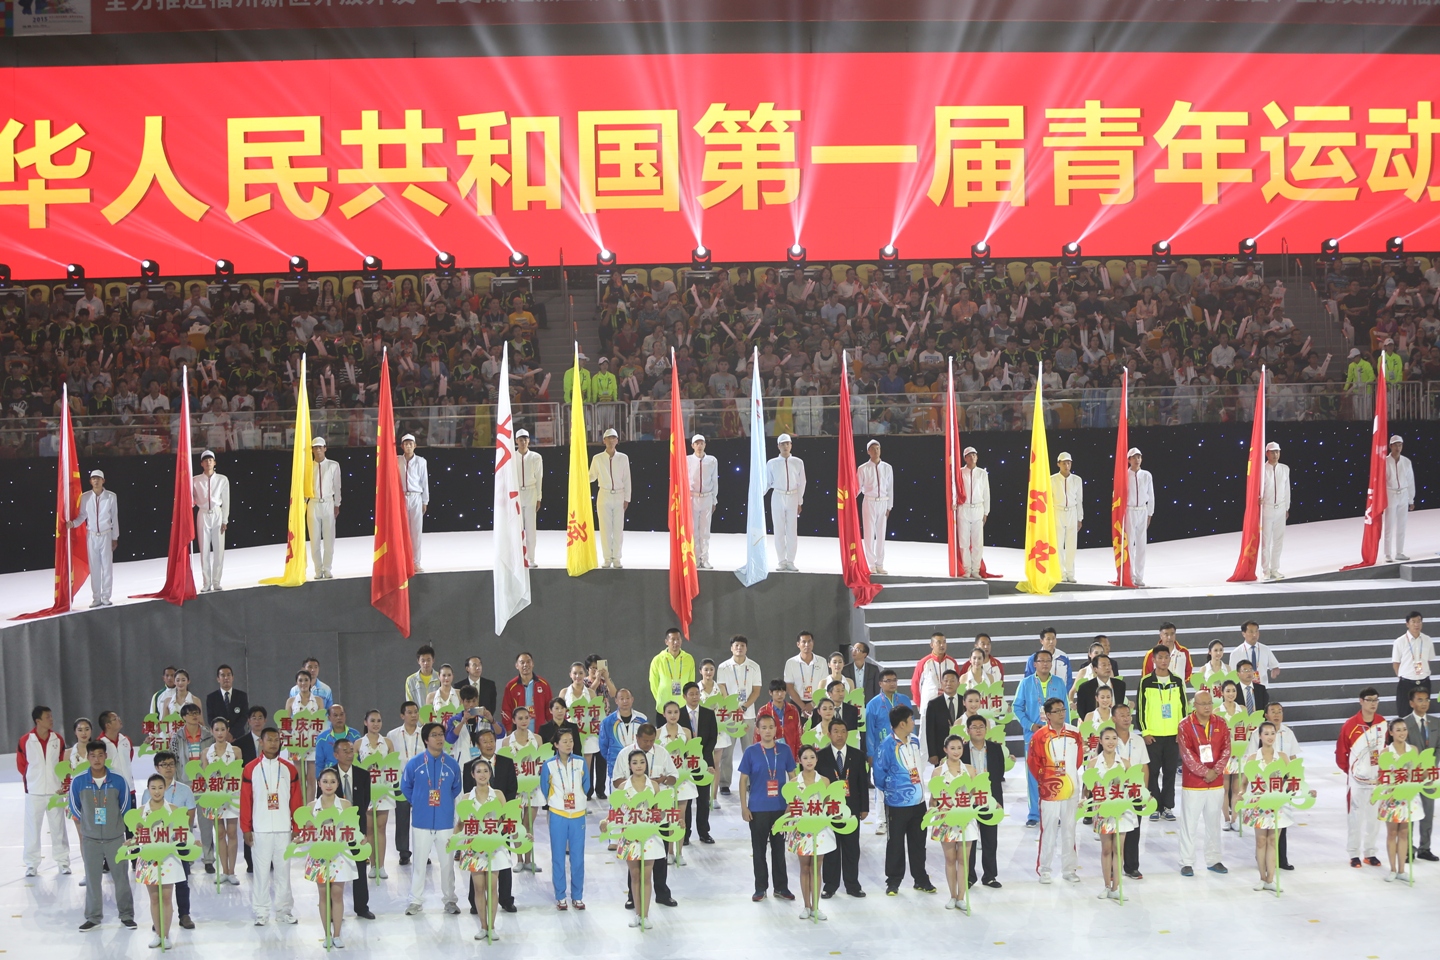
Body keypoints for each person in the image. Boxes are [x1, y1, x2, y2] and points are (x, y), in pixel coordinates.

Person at [611, 724, 679, 908]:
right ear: (637, 738)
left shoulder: (662, 752)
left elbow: (674, 777)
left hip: (657, 814)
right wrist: (637, 783)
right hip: (633, 818)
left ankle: (662, 893)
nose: (649, 744)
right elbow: (616, 781)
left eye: (652, 740)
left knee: (659, 856)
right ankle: (633, 897)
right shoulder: (625, 754)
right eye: (645, 741)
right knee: (634, 859)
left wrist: (661, 780)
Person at [71, 739, 136, 932]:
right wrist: (88, 826)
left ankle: (126, 915)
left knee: (121, 878)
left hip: (115, 838)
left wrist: (118, 828)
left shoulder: (118, 780)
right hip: (90, 839)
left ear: (106, 756)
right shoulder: (79, 781)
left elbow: (126, 807)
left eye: (100, 755)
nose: (97, 759)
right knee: (92, 880)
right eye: (93, 755)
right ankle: (93, 917)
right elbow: (75, 807)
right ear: (88, 757)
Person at [399, 722, 463, 915]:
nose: (439, 738)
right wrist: (418, 802)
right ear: (426, 740)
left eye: (441, 734)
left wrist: (444, 804)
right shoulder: (415, 763)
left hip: (445, 822)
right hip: (421, 822)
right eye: (434, 735)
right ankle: (415, 901)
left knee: (447, 864)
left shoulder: (451, 764)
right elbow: (405, 787)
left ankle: (450, 900)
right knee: (419, 863)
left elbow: (456, 788)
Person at [240, 727, 301, 926]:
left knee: (283, 872)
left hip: (284, 828)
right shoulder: (250, 769)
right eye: (269, 740)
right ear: (261, 742)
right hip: (260, 829)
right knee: (261, 873)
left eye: (276, 740)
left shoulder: (289, 769)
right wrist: (246, 828)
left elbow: (296, 800)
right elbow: (246, 800)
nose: (273, 743)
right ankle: (261, 912)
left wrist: (297, 826)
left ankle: (284, 911)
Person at [873, 704, 935, 895]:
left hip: (918, 802)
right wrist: (894, 791)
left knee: (918, 843)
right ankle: (893, 881)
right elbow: (878, 775)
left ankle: (920, 879)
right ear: (902, 724)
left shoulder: (915, 741)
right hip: (897, 804)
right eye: (910, 720)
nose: (913, 723)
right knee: (896, 844)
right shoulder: (887, 745)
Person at [739, 714, 797, 902]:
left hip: (780, 808)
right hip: (757, 808)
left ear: (776, 729)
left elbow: (793, 777)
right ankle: (760, 888)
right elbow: (743, 780)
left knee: (779, 850)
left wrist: (792, 803)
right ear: (757, 730)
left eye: (771, 727)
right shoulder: (751, 752)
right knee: (759, 850)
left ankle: (781, 887)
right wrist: (744, 806)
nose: (767, 731)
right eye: (763, 727)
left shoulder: (785, 750)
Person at [1028, 697, 1082, 884]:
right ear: (1048, 715)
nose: (1061, 713)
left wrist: (1067, 777)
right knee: (1049, 829)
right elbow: (1033, 763)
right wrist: (1047, 780)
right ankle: (1045, 870)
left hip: (1071, 788)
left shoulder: (1075, 733)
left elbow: (1078, 760)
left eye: (1063, 710)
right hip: (1049, 790)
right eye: (1057, 711)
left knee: (1069, 829)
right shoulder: (1039, 736)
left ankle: (1069, 869)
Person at [1177, 690, 1231, 876]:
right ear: (1195, 705)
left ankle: (1214, 859)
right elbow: (1187, 754)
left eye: (1210, 703)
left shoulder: (1220, 723)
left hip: (1216, 782)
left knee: (1213, 822)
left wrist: (1215, 770)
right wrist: (1204, 772)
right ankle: (1186, 862)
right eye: (1203, 704)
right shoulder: (1185, 725)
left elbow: (1226, 749)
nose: (1207, 707)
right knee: (1189, 823)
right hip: (1193, 783)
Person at [303, 767, 357, 946]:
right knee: (323, 894)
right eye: (325, 781)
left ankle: (337, 935)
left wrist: (361, 838)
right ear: (319, 784)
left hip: (339, 855)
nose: (328, 785)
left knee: (337, 894)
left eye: (332, 782)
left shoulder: (346, 804)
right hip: (319, 854)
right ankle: (326, 934)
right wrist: (299, 838)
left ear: (338, 784)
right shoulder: (311, 807)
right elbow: (308, 831)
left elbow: (352, 828)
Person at [458, 758, 512, 938]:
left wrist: (520, 836)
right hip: (474, 848)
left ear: (490, 774)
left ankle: (492, 927)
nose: (482, 774)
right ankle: (483, 926)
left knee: (492, 887)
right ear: (472, 775)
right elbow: (461, 823)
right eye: (478, 771)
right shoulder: (466, 798)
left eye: (486, 771)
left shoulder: (498, 795)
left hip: (494, 846)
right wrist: (454, 841)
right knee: (479, 888)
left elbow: (507, 819)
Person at [815, 718, 868, 899]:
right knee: (831, 848)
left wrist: (864, 808)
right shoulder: (820, 757)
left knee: (852, 848)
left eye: (843, 731)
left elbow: (862, 783)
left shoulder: (858, 755)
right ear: (829, 734)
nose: (840, 735)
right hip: (829, 810)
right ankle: (830, 885)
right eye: (836, 731)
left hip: (851, 809)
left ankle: (853, 885)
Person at [133, 773, 187, 948]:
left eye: (160, 788)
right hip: (149, 858)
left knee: (167, 897)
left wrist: (191, 841)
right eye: (153, 788)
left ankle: (166, 936)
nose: (157, 791)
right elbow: (137, 835)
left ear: (165, 789)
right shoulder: (141, 811)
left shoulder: (173, 809)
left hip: (168, 858)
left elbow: (181, 833)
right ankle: (158, 934)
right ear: (148, 789)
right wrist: (131, 841)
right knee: (154, 898)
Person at [1015, 650, 1068, 827]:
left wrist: (1064, 733)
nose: (1045, 663)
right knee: (1033, 776)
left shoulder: (1058, 683)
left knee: (1054, 775)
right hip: (1033, 737)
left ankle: (1053, 812)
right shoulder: (1026, 683)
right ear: (1034, 664)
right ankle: (1034, 814)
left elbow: (1065, 710)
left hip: (1055, 737)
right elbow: (1017, 707)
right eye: (1041, 660)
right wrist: (1030, 725)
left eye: (1048, 661)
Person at [1336, 686, 1387, 868]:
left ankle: (1370, 853)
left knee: (1374, 818)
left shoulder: (1382, 723)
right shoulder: (1350, 725)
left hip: (1377, 780)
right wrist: (1353, 772)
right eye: (1369, 700)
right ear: (1361, 701)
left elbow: (1387, 750)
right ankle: (1354, 854)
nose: (1373, 703)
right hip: (1357, 782)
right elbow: (1341, 754)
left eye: (1376, 700)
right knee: (1355, 817)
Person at [1137, 645, 1189, 823]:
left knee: (1170, 772)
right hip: (1153, 735)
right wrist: (1145, 732)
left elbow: (1184, 708)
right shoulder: (1146, 681)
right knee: (1152, 772)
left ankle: (1167, 806)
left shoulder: (1177, 681)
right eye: (1160, 657)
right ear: (1153, 660)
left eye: (1166, 657)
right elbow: (1141, 708)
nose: (1164, 660)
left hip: (1173, 735)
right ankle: (1154, 805)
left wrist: (1181, 732)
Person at [540, 729, 590, 910]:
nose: (569, 744)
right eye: (565, 741)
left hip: (578, 815)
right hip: (558, 814)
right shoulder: (548, 765)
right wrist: (556, 802)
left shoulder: (581, 762)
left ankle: (577, 896)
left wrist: (580, 799)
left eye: (571, 741)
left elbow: (586, 785)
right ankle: (560, 896)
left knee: (577, 857)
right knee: (558, 856)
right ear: (556, 744)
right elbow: (545, 788)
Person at [929, 734, 981, 908]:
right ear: (945, 750)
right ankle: (952, 896)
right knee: (950, 859)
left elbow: (975, 793)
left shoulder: (970, 770)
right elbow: (934, 798)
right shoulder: (938, 772)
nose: (956, 751)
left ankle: (961, 898)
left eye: (959, 748)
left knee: (963, 860)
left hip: (966, 819)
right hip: (946, 820)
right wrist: (933, 808)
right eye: (952, 748)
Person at [616, 750, 665, 929]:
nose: (638, 765)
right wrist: (606, 822)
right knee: (635, 876)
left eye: (642, 762)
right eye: (635, 762)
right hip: (630, 835)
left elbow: (660, 811)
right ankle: (637, 914)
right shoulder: (623, 787)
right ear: (629, 765)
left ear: (646, 764)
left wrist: (660, 814)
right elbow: (617, 812)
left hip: (649, 835)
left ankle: (645, 916)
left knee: (646, 876)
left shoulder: (654, 786)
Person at [19, 705, 70, 878]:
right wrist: (32, 780)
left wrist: (61, 783)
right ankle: (31, 864)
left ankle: (63, 862)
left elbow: (62, 763)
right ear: (38, 720)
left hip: (55, 791)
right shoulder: (26, 740)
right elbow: (21, 764)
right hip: (34, 791)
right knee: (32, 828)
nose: (51, 719)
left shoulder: (58, 739)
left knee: (58, 827)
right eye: (47, 717)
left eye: (51, 716)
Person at [788, 744, 837, 920]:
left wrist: (838, 814)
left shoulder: (824, 781)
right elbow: (791, 806)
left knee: (816, 868)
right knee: (804, 867)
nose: (809, 761)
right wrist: (782, 823)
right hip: (801, 829)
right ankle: (806, 906)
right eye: (805, 758)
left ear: (816, 759)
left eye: (812, 757)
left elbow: (829, 804)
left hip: (820, 830)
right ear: (799, 761)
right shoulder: (794, 783)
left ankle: (816, 907)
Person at [1240, 721, 1290, 892]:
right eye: (1266, 733)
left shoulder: (1282, 757)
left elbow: (1292, 780)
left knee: (1273, 841)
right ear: (1260, 736)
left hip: (1277, 803)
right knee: (1261, 841)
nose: (1270, 737)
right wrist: (1241, 793)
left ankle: (1271, 879)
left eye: (1273, 733)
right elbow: (1244, 782)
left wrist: (1305, 791)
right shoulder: (1252, 758)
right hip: (1258, 804)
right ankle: (1262, 877)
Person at [1089, 727, 1137, 899]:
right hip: (1102, 810)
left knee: (1118, 849)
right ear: (1100, 741)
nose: (1111, 742)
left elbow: (1132, 786)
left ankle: (1116, 888)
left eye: (1114, 738)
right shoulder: (1093, 763)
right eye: (1107, 738)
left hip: (1121, 811)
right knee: (1106, 849)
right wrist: (1084, 800)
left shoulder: (1124, 763)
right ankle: (1106, 886)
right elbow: (1089, 787)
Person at [167, 704, 215, 874]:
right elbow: (173, 761)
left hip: (204, 785)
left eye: (196, 713)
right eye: (190, 713)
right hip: (185, 785)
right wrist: (176, 784)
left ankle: (208, 859)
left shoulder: (209, 736)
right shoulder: (177, 737)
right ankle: (187, 857)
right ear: (183, 717)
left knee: (206, 824)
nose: (194, 716)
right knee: (184, 824)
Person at [864, 669, 912, 836]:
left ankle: (902, 818)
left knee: (903, 783)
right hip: (881, 752)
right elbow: (870, 731)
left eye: (894, 680)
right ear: (880, 683)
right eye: (888, 680)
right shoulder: (873, 704)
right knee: (880, 787)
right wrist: (871, 753)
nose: (892, 683)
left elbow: (911, 725)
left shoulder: (904, 700)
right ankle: (881, 821)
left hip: (903, 750)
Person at [1377, 718, 1424, 881]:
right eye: (1398, 730)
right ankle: (1392, 869)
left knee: (1404, 833)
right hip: (1391, 797)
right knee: (1392, 833)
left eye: (1404, 729)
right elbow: (1382, 776)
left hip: (1408, 797)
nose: (1402, 733)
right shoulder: (1386, 753)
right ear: (1391, 732)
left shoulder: (1413, 750)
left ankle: (1402, 870)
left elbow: (1417, 772)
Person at [330, 739, 373, 920]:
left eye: (351, 750)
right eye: (345, 751)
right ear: (336, 754)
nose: (350, 754)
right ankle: (332, 910)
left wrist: (362, 830)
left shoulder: (363, 775)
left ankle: (362, 907)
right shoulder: (328, 775)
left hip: (356, 829)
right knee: (333, 869)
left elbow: (365, 802)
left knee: (360, 868)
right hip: (335, 831)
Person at [499, 707, 544, 873]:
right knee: (516, 824)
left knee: (528, 824)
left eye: (527, 717)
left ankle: (529, 860)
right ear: (514, 720)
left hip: (533, 786)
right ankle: (518, 859)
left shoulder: (537, 739)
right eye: (520, 718)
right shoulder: (506, 742)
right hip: (515, 788)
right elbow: (504, 767)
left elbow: (541, 761)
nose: (524, 721)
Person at [716, 636, 764, 792]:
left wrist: (743, 707)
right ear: (731, 648)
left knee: (750, 751)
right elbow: (722, 688)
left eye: (742, 645)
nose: (739, 648)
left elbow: (756, 691)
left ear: (746, 648)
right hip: (729, 715)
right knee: (727, 751)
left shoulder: (754, 666)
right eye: (736, 645)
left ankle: (750, 782)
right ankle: (724, 784)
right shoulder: (723, 667)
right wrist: (731, 708)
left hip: (747, 714)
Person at [71, 469, 119, 606]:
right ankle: (96, 598)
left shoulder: (111, 497)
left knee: (107, 568)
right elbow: (82, 516)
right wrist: (72, 524)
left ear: (103, 480)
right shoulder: (85, 497)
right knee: (95, 568)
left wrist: (114, 537)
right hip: (91, 536)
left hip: (106, 535)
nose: (96, 481)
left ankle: (106, 596)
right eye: (93, 478)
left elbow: (114, 518)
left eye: (98, 478)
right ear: (90, 481)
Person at [1112, 703, 1150, 879]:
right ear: (1114, 719)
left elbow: (1144, 767)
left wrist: (1145, 791)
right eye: (1122, 715)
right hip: (1115, 791)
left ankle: (1132, 866)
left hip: (1135, 790)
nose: (1126, 718)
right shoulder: (1109, 739)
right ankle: (1113, 867)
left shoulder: (1138, 740)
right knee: (1114, 830)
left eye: (1128, 714)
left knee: (1134, 829)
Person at [1402, 688, 1440, 861]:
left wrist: (1430, 765)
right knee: (1410, 811)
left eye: (1426, 699)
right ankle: (1408, 849)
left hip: (1429, 775)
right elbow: (1403, 749)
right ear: (1411, 703)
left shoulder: (1436, 722)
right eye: (1420, 700)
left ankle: (1425, 848)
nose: (1424, 703)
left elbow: (1438, 747)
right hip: (1411, 776)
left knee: (1428, 811)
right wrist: (1417, 767)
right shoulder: (1404, 724)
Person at [356, 710, 394, 879]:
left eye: (379, 720)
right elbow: (355, 768)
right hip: (366, 790)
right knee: (369, 828)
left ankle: (382, 866)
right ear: (366, 722)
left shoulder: (387, 743)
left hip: (383, 789)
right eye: (372, 721)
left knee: (381, 828)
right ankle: (372, 865)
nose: (376, 724)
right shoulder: (358, 743)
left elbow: (393, 766)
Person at [678, 682, 717, 844]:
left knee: (703, 799)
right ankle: (685, 834)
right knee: (685, 799)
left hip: (704, 763)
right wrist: (688, 757)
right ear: (684, 696)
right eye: (691, 694)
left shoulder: (709, 714)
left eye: (697, 694)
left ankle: (704, 832)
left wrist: (702, 757)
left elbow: (712, 738)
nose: (695, 697)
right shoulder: (678, 714)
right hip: (685, 765)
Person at [386, 701, 423, 867]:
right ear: (402, 715)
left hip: (422, 782)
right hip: (401, 781)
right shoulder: (392, 735)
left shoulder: (424, 733)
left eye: (416, 712)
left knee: (422, 819)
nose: (414, 715)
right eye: (409, 712)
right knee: (402, 818)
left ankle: (423, 852)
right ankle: (403, 852)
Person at [589, 427, 632, 568]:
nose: (611, 441)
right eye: (609, 438)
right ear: (604, 441)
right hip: (604, 495)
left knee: (618, 529)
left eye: (614, 438)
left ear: (617, 440)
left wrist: (627, 498)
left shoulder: (623, 458)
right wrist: (580, 475)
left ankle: (617, 558)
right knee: (605, 528)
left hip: (619, 495)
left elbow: (627, 479)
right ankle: (607, 558)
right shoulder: (597, 458)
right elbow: (592, 476)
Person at [766, 433, 807, 571]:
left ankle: (790, 561)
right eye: (782, 444)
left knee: (791, 530)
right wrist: (758, 496)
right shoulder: (772, 463)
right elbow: (767, 482)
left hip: (793, 497)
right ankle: (781, 561)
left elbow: (802, 482)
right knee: (778, 530)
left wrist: (800, 501)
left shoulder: (798, 462)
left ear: (791, 445)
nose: (785, 446)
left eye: (787, 443)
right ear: (778, 446)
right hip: (778, 495)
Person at [192, 450, 230, 592]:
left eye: (210, 460)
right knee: (204, 550)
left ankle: (216, 581)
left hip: (217, 514)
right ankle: (206, 582)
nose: (208, 462)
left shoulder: (222, 479)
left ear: (214, 462)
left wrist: (225, 520)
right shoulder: (195, 480)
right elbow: (191, 499)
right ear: (201, 464)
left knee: (219, 550)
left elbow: (226, 501)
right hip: (202, 515)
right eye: (205, 460)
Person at [912, 632, 960, 743]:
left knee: (949, 735)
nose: (942, 645)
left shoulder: (952, 662)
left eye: (944, 642)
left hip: (948, 704)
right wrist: (920, 704)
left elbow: (959, 683)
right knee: (926, 737)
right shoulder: (923, 663)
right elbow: (915, 684)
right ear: (931, 645)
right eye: (938, 642)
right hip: (928, 705)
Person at [857, 439, 894, 574]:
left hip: (883, 502)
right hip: (869, 502)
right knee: (869, 534)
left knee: (881, 534)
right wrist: (849, 500)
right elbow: (857, 487)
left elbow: (890, 488)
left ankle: (880, 564)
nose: (876, 451)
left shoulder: (887, 468)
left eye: (878, 448)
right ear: (868, 452)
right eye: (873, 449)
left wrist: (889, 506)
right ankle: (871, 564)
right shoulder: (863, 468)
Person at [306, 437, 342, 579]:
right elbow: (304, 487)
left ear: (325, 448)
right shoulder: (308, 467)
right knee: (314, 540)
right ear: (312, 450)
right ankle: (317, 569)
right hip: (313, 504)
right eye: (315, 447)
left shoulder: (333, 465)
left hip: (328, 503)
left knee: (329, 539)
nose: (318, 450)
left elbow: (337, 486)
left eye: (320, 447)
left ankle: (327, 568)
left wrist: (337, 504)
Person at [398, 432, 430, 573]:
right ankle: (403, 561)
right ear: (402, 446)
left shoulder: (421, 461)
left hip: (416, 497)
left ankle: (416, 562)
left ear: (415, 445)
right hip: (401, 497)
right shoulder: (397, 460)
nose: (408, 446)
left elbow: (424, 482)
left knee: (416, 531)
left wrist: (425, 500)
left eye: (411, 444)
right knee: (402, 531)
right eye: (406, 444)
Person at [1392, 610, 1433, 717]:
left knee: (1423, 715)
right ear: (1407, 624)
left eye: (1419, 621)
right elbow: (1396, 663)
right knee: (1405, 715)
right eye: (1413, 622)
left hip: (1424, 682)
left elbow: (1428, 660)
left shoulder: (1428, 640)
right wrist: (1404, 677)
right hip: (1406, 683)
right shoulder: (1399, 642)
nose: (1416, 624)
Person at [1259, 441, 1290, 580]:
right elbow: (1258, 489)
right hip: (1267, 509)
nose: (1275, 454)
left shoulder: (1285, 469)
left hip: (1281, 509)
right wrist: (1258, 500)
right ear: (1267, 453)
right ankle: (1266, 570)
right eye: (1272, 452)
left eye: (1277, 451)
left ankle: (1275, 569)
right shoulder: (1262, 470)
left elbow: (1287, 489)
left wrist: (1287, 507)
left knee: (1278, 541)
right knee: (1266, 541)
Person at [1051, 451, 1083, 583]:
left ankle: (1070, 573)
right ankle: (1060, 573)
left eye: (1068, 463)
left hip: (1072, 512)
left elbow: (1079, 499)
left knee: (1071, 545)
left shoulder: (1077, 480)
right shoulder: (1052, 479)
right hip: (1057, 512)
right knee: (1058, 545)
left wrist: (1080, 518)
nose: (1067, 465)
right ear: (1058, 464)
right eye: (1064, 463)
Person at [1124, 447, 1155, 587]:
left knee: (1141, 545)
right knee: (1129, 544)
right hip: (1129, 511)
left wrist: (1150, 513)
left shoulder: (1147, 475)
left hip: (1142, 510)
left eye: (1139, 457)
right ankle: (1130, 575)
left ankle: (1139, 576)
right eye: (1134, 457)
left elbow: (1151, 495)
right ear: (1129, 460)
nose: (1137, 460)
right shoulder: (1124, 475)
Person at [958, 446, 990, 579]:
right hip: (963, 509)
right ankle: (966, 569)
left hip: (978, 509)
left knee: (977, 542)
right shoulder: (960, 472)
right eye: (970, 455)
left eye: (974, 455)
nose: (972, 457)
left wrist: (986, 512)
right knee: (964, 541)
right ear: (965, 458)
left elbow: (986, 493)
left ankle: (975, 570)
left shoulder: (982, 473)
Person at [501, 652, 554, 731]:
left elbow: (550, 708)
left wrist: (553, 727)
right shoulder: (511, 686)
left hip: (539, 731)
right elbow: (506, 710)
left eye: (528, 662)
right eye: (522, 662)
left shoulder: (543, 684)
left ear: (533, 664)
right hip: (519, 732)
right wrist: (509, 729)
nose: (525, 665)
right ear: (517, 665)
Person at [649, 627, 696, 713]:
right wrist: (660, 699)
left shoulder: (688, 659)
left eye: (678, 639)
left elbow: (691, 682)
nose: (676, 642)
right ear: (666, 642)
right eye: (673, 639)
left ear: (681, 641)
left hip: (683, 707)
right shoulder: (658, 660)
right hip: (663, 708)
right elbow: (653, 684)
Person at [515, 429, 544, 567]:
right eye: (521, 440)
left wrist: (539, 497)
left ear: (529, 441)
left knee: (531, 528)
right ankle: (518, 559)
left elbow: (539, 477)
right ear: (516, 441)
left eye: (525, 439)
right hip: (516, 494)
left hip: (531, 492)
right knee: (517, 528)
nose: (523, 442)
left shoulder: (536, 457)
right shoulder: (511, 457)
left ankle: (531, 558)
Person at [689, 434, 719, 569]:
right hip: (692, 498)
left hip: (706, 497)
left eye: (701, 443)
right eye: (697, 443)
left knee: (705, 531)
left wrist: (714, 500)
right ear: (692, 446)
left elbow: (714, 481)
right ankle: (695, 558)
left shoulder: (712, 460)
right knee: (694, 531)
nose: (699, 446)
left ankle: (705, 558)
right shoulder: (687, 460)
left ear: (705, 445)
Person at [1384, 434, 1415, 562]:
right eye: (1396, 445)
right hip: (1390, 494)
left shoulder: (1406, 462)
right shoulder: (1384, 462)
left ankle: (1399, 552)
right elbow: (1380, 482)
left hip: (1403, 494)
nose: (1398, 448)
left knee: (1402, 525)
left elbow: (1410, 481)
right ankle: (1387, 554)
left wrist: (1411, 499)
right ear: (1390, 446)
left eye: (1400, 445)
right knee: (1389, 525)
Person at [925, 670, 965, 766]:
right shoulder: (933, 704)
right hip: (941, 751)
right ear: (941, 683)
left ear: (958, 683)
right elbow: (930, 731)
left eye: (952, 681)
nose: (949, 683)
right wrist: (932, 753)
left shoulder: (965, 701)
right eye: (946, 681)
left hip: (963, 749)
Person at [784, 630, 826, 717]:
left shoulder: (822, 661)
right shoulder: (791, 662)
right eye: (803, 642)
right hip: (796, 703)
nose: (807, 645)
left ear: (813, 643)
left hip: (817, 703)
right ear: (798, 644)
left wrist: (812, 704)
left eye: (809, 641)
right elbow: (789, 687)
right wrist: (803, 706)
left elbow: (824, 685)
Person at [312, 703, 360, 775]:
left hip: (352, 775)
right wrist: (320, 779)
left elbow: (359, 759)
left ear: (345, 716)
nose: (339, 718)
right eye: (335, 715)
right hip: (331, 777)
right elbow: (319, 764)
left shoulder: (355, 735)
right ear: (329, 718)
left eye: (341, 714)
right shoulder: (322, 738)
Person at [1074, 654, 1126, 721]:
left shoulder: (1120, 685)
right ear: (1095, 669)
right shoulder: (1085, 688)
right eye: (1104, 665)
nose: (1107, 667)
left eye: (1109, 664)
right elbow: (1081, 710)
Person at [757, 678, 804, 750]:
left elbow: (799, 733)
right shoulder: (763, 711)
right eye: (777, 691)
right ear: (770, 693)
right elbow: (757, 735)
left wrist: (799, 752)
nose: (780, 694)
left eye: (782, 691)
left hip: (790, 750)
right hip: (770, 750)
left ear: (785, 692)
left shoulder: (793, 710)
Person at [206, 664, 249, 741]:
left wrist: (232, 734)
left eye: (228, 675)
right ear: (218, 679)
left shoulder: (241, 696)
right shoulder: (211, 698)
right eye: (223, 675)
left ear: (233, 677)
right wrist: (223, 733)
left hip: (238, 737)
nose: (226, 678)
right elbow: (211, 718)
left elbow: (244, 716)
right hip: (219, 737)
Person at [463, 655, 502, 731]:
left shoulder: (490, 685)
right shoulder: (459, 686)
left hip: (484, 723)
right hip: (465, 724)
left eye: (479, 665)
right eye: (474, 665)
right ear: (467, 668)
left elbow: (492, 705)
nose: (478, 668)